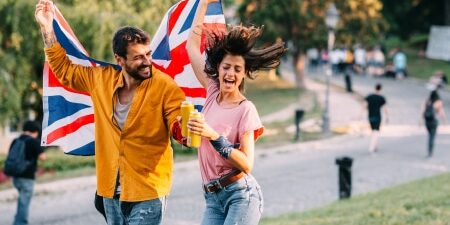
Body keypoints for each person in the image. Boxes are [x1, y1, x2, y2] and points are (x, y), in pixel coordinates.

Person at [35, 1, 185, 224]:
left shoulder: (164, 86)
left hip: (148, 190)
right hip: (110, 191)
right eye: (138, 58)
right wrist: (47, 28)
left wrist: (183, 128)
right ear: (120, 59)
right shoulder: (101, 79)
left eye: (148, 54)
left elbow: (177, 123)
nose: (147, 62)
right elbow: (63, 70)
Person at [186, 0, 286, 224]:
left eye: (237, 69)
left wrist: (213, 136)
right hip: (212, 198)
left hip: (241, 196)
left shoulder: (246, 109)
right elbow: (191, 46)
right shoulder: (212, 91)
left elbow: (247, 163)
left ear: (244, 74)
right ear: (218, 69)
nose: (230, 73)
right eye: (226, 67)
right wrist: (202, 4)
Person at [11, 120, 46, 225]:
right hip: (27, 177)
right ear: (35, 131)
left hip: (16, 176)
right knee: (24, 202)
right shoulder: (33, 141)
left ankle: (17, 220)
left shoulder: (16, 140)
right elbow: (43, 157)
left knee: (22, 201)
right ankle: (20, 223)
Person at [421, 90, 447, 157]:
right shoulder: (438, 102)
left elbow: (423, 111)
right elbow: (441, 113)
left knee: (430, 135)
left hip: (427, 122)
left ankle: (429, 150)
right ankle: (430, 151)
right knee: (432, 137)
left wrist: (420, 121)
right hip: (434, 122)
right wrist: (444, 121)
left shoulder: (427, 102)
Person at [363, 83, 388, 153]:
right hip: (377, 116)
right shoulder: (381, 98)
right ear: (381, 89)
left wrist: (359, 115)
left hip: (370, 116)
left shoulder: (369, 97)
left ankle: (375, 146)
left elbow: (364, 105)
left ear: (375, 88)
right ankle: (371, 147)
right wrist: (387, 117)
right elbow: (385, 108)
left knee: (373, 131)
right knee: (376, 131)